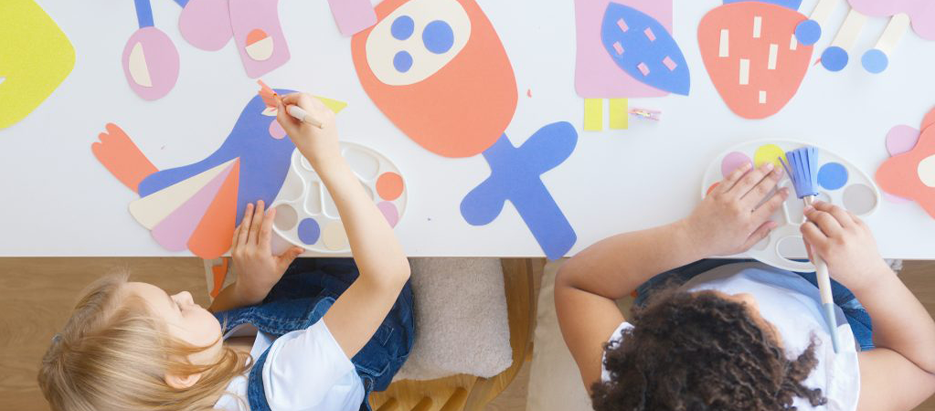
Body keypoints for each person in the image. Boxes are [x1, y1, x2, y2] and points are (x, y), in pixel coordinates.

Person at [37, 93, 414, 411]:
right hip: (374, 320)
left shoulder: (187, 380)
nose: (187, 295)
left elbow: (216, 325)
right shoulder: (284, 387)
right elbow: (387, 278)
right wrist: (328, 160)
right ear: (183, 375)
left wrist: (250, 288)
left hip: (293, 313)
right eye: (178, 307)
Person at [556, 161, 935, 410]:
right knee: (860, 249)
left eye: (718, 305)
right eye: (759, 326)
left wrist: (689, 237)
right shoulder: (827, 392)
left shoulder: (634, 384)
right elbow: (925, 366)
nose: (747, 297)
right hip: (821, 300)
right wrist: (870, 275)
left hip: (692, 268)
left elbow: (578, 285)